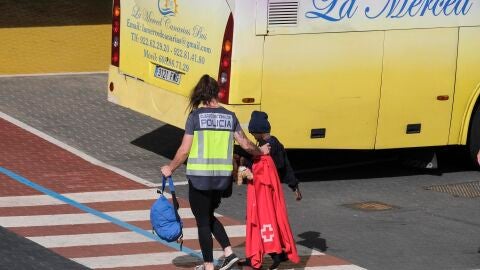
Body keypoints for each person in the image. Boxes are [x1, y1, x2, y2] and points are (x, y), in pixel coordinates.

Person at [160, 75, 270, 270]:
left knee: (202, 221)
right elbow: (245, 143)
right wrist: (260, 151)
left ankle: (209, 266)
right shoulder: (230, 116)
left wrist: (170, 168)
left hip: (199, 179)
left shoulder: (195, 117)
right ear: (217, 92)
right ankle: (229, 253)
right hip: (222, 180)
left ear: (201, 94)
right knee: (208, 215)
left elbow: (184, 150)